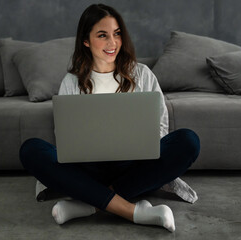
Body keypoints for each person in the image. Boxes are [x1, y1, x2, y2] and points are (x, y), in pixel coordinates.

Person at [19, 4, 200, 232]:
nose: (112, 43)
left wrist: (143, 146)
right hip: (88, 168)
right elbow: (66, 136)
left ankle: (89, 205)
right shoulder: (72, 81)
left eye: (116, 34)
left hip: (134, 166)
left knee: (188, 141)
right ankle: (134, 211)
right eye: (102, 35)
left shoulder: (142, 74)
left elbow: (160, 127)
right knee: (31, 150)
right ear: (86, 41)